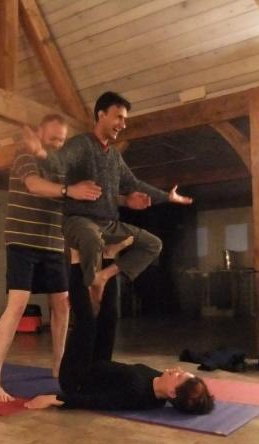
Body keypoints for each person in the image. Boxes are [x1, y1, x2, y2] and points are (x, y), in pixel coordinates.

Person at [0, 114, 102, 403]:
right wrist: (68, 190)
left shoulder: (62, 165)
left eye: (62, 140)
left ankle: (58, 365)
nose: (58, 145)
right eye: (52, 140)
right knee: (18, 304)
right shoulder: (24, 155)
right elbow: (35, 185)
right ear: (38, 134)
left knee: (62, 303)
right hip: (22, 240)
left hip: (52, 244)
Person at [59, 91, 194, 313]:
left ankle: (103, 277)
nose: (123, 124)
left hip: (110, 224)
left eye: (125, 120)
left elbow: (133, 183)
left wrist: (166, 197)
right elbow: (57, 165)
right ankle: (88, 290)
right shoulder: (80, 144)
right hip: (78, 221)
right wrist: (70, 189)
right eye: (118, 117)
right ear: (101, 115)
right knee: (92, 238)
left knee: (153, 244)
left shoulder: (114, 156)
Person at [25, 259, 214, 413]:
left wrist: (53, 399)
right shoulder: (160, 390)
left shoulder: (135, 395)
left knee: (87, 322)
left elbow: (95, 401)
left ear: (172, 392)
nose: (177, 370)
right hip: (98, 364)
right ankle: (109, 257)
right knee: (110, 317)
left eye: (179, 376)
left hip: (76, 379)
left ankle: (76, 260)